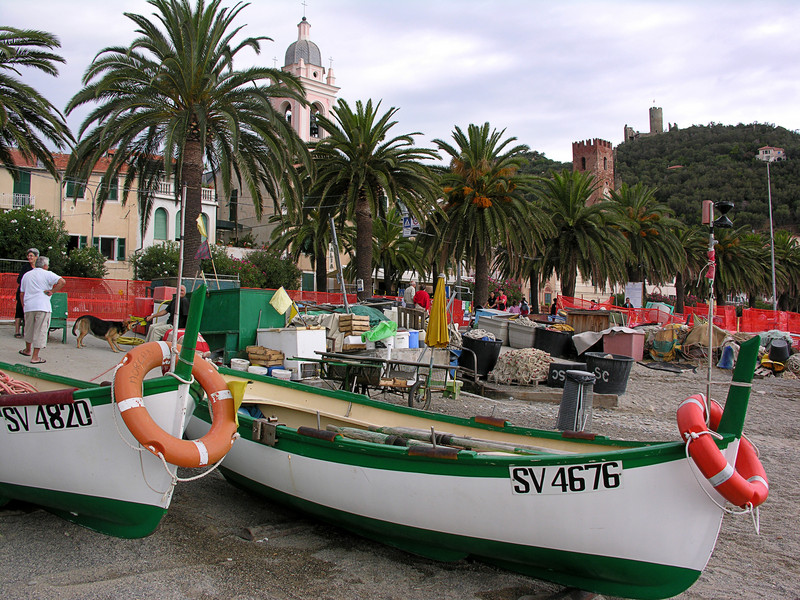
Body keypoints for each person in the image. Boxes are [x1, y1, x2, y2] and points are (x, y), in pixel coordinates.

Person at [19, 256, 66, 364]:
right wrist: (52, 291)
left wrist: (24, 306)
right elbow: (62, 282)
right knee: (40, 331)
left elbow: (22, 293)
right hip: (42, 306)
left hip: (29, 306)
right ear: (45, 265)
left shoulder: (27, 275)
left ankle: (27, 350)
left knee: (29, 329)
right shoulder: (48, 274)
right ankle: (35, 357)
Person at [14, 248, 39, 338]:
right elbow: (19, 280)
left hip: (33, 293)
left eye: (31, 256)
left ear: (36, 257)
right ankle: (17, 331)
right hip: (23, 292)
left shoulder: (38, 267)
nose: (29, 257)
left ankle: (28, 331)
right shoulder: (25, 267)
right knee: (19, 311)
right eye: (28, 256)